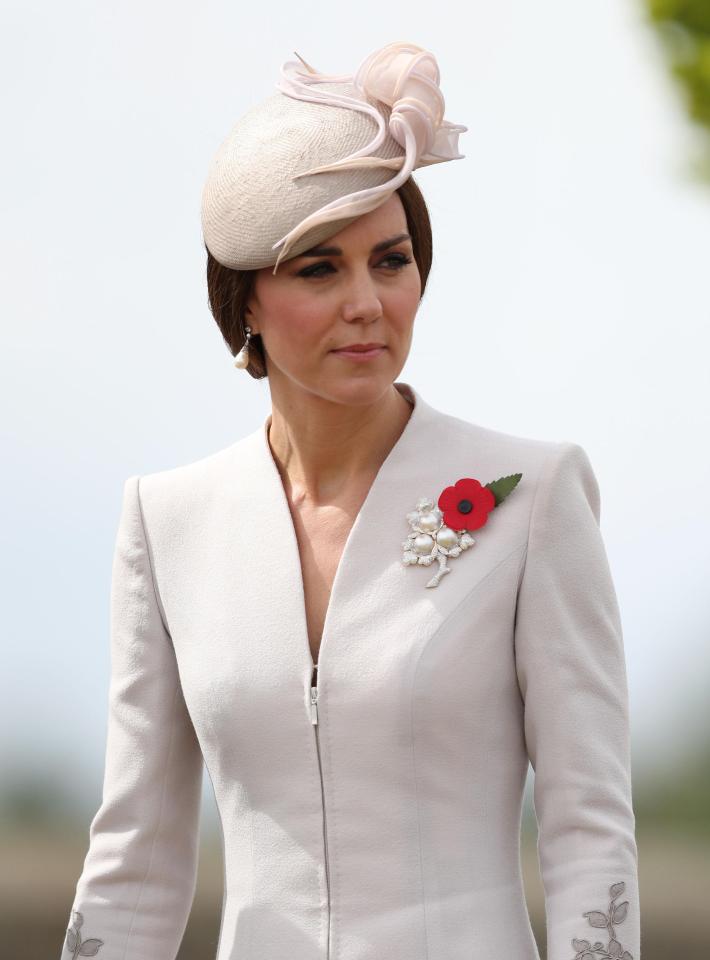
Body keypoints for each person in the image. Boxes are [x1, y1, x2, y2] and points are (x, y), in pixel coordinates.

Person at [59, 40, 640, 960]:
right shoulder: (167, 521)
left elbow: (590, 831)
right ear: (244, 297)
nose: (369, 302)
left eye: (393, 260)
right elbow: (136, 856)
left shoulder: (534, 498)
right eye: (320, 268)